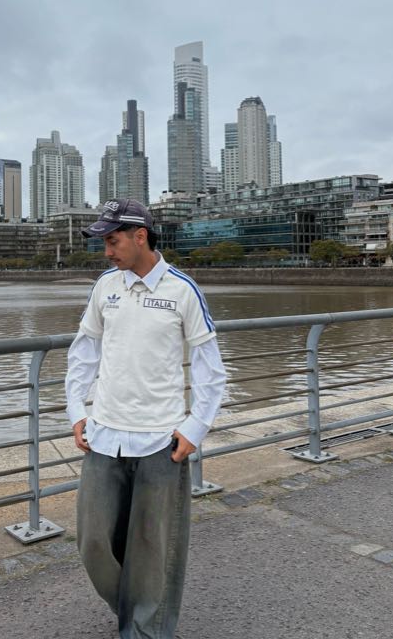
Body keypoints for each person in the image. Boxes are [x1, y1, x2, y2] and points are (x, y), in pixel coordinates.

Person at [65, 198, 226, 639]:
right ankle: (132, 611)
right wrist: (77, 410)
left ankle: (144, 630)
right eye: (104, 242)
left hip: (161, 440)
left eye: (112, 241)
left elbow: (210, 369)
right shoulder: (105, 287)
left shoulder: (182, 289)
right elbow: (84, 352)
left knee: (153, 549)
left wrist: (195, 428)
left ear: (141, 237)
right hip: (103, 435)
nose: (106, 251)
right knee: (93, 542)